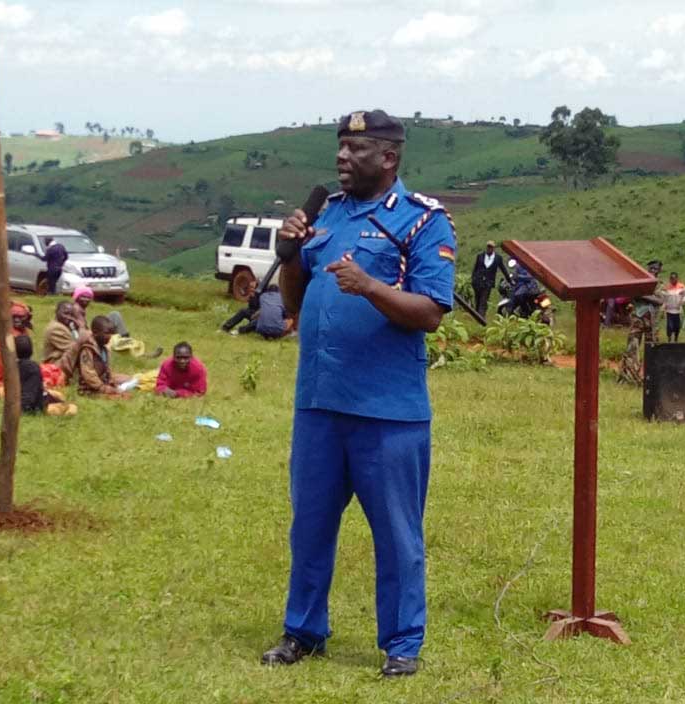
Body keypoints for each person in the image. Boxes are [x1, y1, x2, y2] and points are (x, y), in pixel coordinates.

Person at [263, 109, 456, 678]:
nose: (342, 157)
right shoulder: (329, 215)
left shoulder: (423, 223)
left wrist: (371, 286)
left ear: (389, 157)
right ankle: (303, 631)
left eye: (356, 148)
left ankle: (401, 643)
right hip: (320, 404)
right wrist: (292, 253)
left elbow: (430, 313)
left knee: (397, 534)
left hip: (387, 413)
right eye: (341, 147)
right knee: (310, 526)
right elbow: (295, 304)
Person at [618, 259, 664, 385]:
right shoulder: (640, 281)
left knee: (652, 349)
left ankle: (652, 378)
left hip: (653, 322)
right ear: (647, 268)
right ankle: (627, 376)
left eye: (656, 269)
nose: (653, 271)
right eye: (652, 268)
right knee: (632, 347)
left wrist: (643, 295)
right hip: (637, 319)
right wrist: (649, 297)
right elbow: (632, 294)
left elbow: (660, 301)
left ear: (660, 270)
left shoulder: (660, 284)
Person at [74, 315, 130, 396]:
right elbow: (88, 374)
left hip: (103, 383)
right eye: (107, 333)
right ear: (96, 333)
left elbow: (107, 368)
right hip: (88, 388)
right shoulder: (87, 350)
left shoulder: (104, 349)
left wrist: (111, 382)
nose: (110, 336)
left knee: (125, 394)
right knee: (118, 397)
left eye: (111, 333)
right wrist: (102, 388)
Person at [471, 240, 510, 317]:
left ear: (493, 248)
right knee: (478, 300)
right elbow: (475, 268)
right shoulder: (480, 256)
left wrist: (509, 280)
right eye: (488, 247)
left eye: (491, 247)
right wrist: (473, 279)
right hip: (478, 282)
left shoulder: (498, 258)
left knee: (484, 300)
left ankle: (481, 317)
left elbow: (503, 269)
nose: (489, 249)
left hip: (488, 282)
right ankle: (476, 316)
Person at [43, 301, 81, 379]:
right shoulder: (57, 328)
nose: (69, 317)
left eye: (71, 315)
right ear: (56, 312)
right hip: (55, 367)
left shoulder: (64, 326)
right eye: (65, 313)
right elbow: (76, 349)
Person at [663, 272, 685, 342]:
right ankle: (669, 338)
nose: (672, 280)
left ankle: (676, 339)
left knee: (677, 326)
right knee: (669, 326)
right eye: (671, 278)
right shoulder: (667, 287)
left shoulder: (681, 286)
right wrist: (664, 306)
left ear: (677, 278)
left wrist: (683, 302)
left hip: (678, 310)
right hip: (669, 310)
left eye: (674, 278)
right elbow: (664, 298)